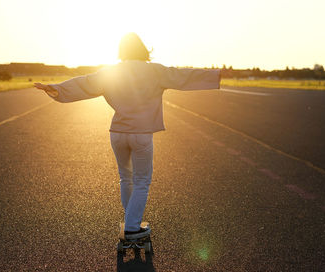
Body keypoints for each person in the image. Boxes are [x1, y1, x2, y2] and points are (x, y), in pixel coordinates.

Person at [34, 33, 220, 239]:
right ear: (143, 49)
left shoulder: (111, 72)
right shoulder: (155, 71)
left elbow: (84, 83)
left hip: (118, 133)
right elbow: (184, 75)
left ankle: (131, 219)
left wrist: (55, 89)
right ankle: (132, 227)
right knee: (141, 181)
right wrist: (215, 74)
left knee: (126, 178)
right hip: (141, 134)